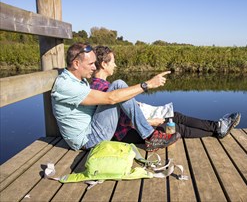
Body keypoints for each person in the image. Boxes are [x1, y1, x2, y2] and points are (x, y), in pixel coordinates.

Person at [90, 45, 241, 144]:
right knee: (175, 127)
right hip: (126, 134)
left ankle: (217, 126)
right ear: (104, 64)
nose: (115, 65)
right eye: (113, 62)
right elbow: (123, 122)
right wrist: (152, 121)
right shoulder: (102, 90)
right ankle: (216, 129)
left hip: (134, 124)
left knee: (175, 116)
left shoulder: (103, 86)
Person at [51, 43, 181, 152]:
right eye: (90, 63)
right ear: (76, 63)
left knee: (119, 85)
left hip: (92, 130)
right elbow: (110, 98)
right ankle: (150, 136)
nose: (94, 67)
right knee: (118, 85)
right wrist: (148, 84)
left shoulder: (78, 80)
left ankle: (150, 135)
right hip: (88, 140)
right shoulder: (66, 85)